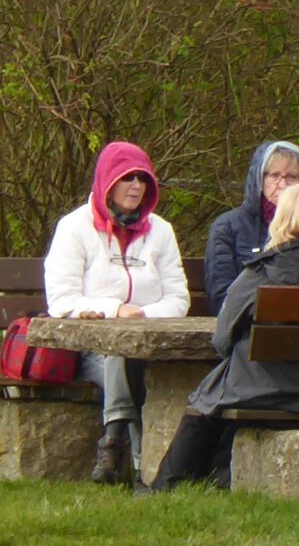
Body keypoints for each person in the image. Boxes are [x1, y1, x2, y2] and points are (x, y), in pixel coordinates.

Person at [146, 183, 299, 492]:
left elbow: (221, 339)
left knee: (206, 400)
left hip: (264, 388)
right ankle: (215, 480)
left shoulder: (262, 272)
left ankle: (167, 484)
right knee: (218, 392)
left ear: (281, 220)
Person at [43, 140, 189, 485]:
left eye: (142, 179)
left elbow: (178, 299)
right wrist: (113, 310)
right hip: (90, 348)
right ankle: (139, 469)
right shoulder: (74, 228)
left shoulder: (161, 231)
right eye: (127, 178)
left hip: (151, 343)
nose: (136, 186)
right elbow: (61, 299)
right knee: (118, 359)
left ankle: (113, 442)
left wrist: (141, 317)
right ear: (108, 182)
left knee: (131, 361)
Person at [202, 140, 299, 317]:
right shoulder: (227, 227)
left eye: (291, 177)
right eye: (274, 175)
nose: (282, 185)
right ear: (260, 179)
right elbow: (220, 298)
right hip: (245, 332)